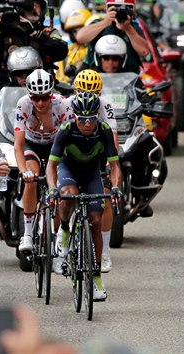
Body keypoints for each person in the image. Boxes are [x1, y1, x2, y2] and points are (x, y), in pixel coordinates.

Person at [46, 91, 122, 301]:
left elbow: (115, 166)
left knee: (96, 219)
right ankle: (64, 230)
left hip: (91, 174)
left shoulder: (104, 131)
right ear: (75, 117)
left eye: (91, 119)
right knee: (68, 194)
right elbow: (51, 165)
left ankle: (96, 278)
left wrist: (115, 187)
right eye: (82, 119)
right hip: (68, 170)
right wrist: (53, 189)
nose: (87, 124)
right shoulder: (66, 130)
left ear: (97, 117)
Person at [16, 69, 72, 253]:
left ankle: (56, 238)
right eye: (35, 98)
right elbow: (18, 145)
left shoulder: (62, 104)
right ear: (29, 95)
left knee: (56, 188)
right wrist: (24, 171)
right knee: (31, 177)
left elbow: (70, 139)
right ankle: (27, 234)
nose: (40, 102)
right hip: (32, 145)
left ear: (51, 94)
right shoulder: (23, 105)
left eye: (44, 97)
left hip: (56, 145)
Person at [68, 69, 117, 272]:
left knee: (105, 199)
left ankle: (104, 252)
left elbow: (112, 136)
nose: (88, 97)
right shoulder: (67, 103)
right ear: (74, 91)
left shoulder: (105, 104)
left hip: (97, 154)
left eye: (94, 93)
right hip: (72, 153)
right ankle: (63, 234)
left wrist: (109, 164)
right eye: (82, 92)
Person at [0, 0, 68, 89]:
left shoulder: (47, 32)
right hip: (7, 96)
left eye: (36, 4)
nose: (34, 8)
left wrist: (35, 33)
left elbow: (61, 52)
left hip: (43, 94)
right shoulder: (4, 34)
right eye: (29, 5)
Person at [75, 0, 149, 74]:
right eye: (115, 8)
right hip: (97, 78)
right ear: (107, 9)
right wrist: (106, 22)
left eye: (125, 9)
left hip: (127, 79)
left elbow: (144, 52)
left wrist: (128, 28)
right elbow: (80, 38)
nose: (120, 12)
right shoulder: (98, 23)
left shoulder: (134, 27)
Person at [55, 8, 91, 84]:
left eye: (82, 29)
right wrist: (68, 79)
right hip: (70, 89)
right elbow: (59, 76)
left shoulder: (94, 47)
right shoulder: (67, 49)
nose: (78, 33)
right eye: (74, 31)